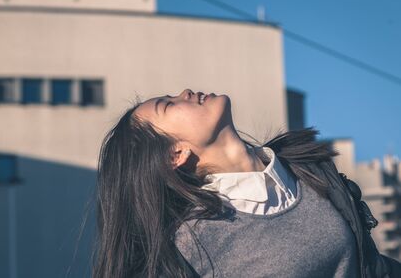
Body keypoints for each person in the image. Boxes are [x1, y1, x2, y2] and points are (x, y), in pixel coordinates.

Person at [92, 88, 400, 277]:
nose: (184, 92)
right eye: (169, 105)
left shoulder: (311, 171)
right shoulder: (188, 246)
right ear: (176, 154)